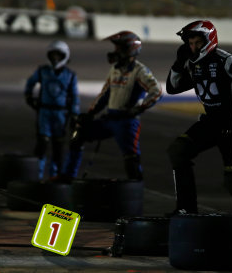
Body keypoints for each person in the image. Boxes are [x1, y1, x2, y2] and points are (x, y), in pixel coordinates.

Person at [165, 20, 232, 217]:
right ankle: (186, 209)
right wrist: (178, 63)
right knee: (178, 151)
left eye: (197, 43)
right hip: (211, 122)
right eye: (190, 43)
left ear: (209, 40)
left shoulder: (227, 60)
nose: (193, 47)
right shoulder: (192, 63)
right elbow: (172, 88)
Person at [60, 31, 162, 181]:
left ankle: (135, 190)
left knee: (131, 158)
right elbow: (105, 95)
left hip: (127, 123)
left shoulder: (140, 71)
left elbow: (157, 90)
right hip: (109, 119)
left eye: (118, 48)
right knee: (78, 135)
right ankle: (68, 178)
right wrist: (90, 113)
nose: (114, 52)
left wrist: (138, 109)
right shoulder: (114, 70)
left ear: (129, 49)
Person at [24, 40, 80, 179]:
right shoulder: (42, 71)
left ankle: (55, 177)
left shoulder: (70, 75)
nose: (55, 58)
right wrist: (29, 96)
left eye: (58, 55)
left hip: (61, 114)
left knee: (58, 147)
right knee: (42, 144)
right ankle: (37, 175)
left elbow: (74, 96)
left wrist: (74, 115)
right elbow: (30, 83)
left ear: (65, 56)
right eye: (53, 55)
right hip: (45, 112)